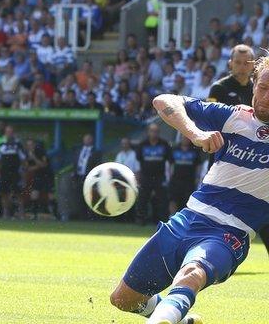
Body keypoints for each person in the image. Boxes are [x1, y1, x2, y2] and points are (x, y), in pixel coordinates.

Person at [110, 66, 269, 322]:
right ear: (253, 85)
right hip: (186, 220)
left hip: (230, 232)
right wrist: (196, 134)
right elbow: (163, 101)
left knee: (193, 273)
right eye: (263, 88)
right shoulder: (233, 117)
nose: (267, 96)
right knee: (124, 299)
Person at [206, 44, 269, 255]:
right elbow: (211, 123)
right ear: (230, 63)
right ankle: (208, 250)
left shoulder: (262, 85)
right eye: (238, 62)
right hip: (228, 159)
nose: (242, 67)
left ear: (253, 66)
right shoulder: (220, 89)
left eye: (246, 63)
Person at [135, 123, 172, 225]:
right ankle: (140, 220)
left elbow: (170, 161)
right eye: (152, 131)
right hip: (145, 176)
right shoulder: (142, 145)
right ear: (148, 132)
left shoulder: (164, 144)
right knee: (143, 199)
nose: (154, 133)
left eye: (156, 131)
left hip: (160, 177)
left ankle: (163, 221)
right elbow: (138, 161)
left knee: (162, 199)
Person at [0, 125, 26, 219]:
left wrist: (23, 171)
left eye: (11, 132)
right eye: (7, 132)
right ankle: (6, 212)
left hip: (15, 172)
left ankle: (21, 212)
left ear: (13, 133)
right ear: (5, 133)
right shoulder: (1, 145)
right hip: (4, 172)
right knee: (4, 193)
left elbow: (23, 159)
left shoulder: (18, 145)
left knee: (18, 192)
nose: (9, 134)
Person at [168, 136, 201, 215]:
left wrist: (197, 177)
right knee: (173, 199)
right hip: (175, 180)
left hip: (189, 180)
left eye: (187, 138)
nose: (185, 139)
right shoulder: (175, 149)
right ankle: (171, 217)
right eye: (184, 138)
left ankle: (185, 219)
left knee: (188, 200)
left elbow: (198, 165)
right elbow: (170, 164)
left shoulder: (195, 150)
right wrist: (169, 176)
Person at [72, 133, 101, 217]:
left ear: (92, 140)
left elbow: (97, 164)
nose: (87, 140)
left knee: (90, 196)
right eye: (85, 138)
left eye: (89, 138)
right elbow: (75, 162)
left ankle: (91, 215)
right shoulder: (78, 150)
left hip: (89, 176)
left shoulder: (96, 152)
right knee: (79, 196)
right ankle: (81, 214)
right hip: (78, 176)